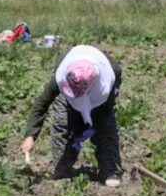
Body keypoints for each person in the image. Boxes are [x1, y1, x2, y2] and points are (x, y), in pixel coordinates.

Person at [20, 45, 123, 187]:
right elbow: (42, 104)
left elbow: (105, 114)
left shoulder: (107, 81)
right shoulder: (62, 75)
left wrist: (86, 126)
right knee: (64, 122)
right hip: (69, 92)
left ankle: (110, 169)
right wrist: (30, 136)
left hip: (98, 98)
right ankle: (61, 166)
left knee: (105, 127)